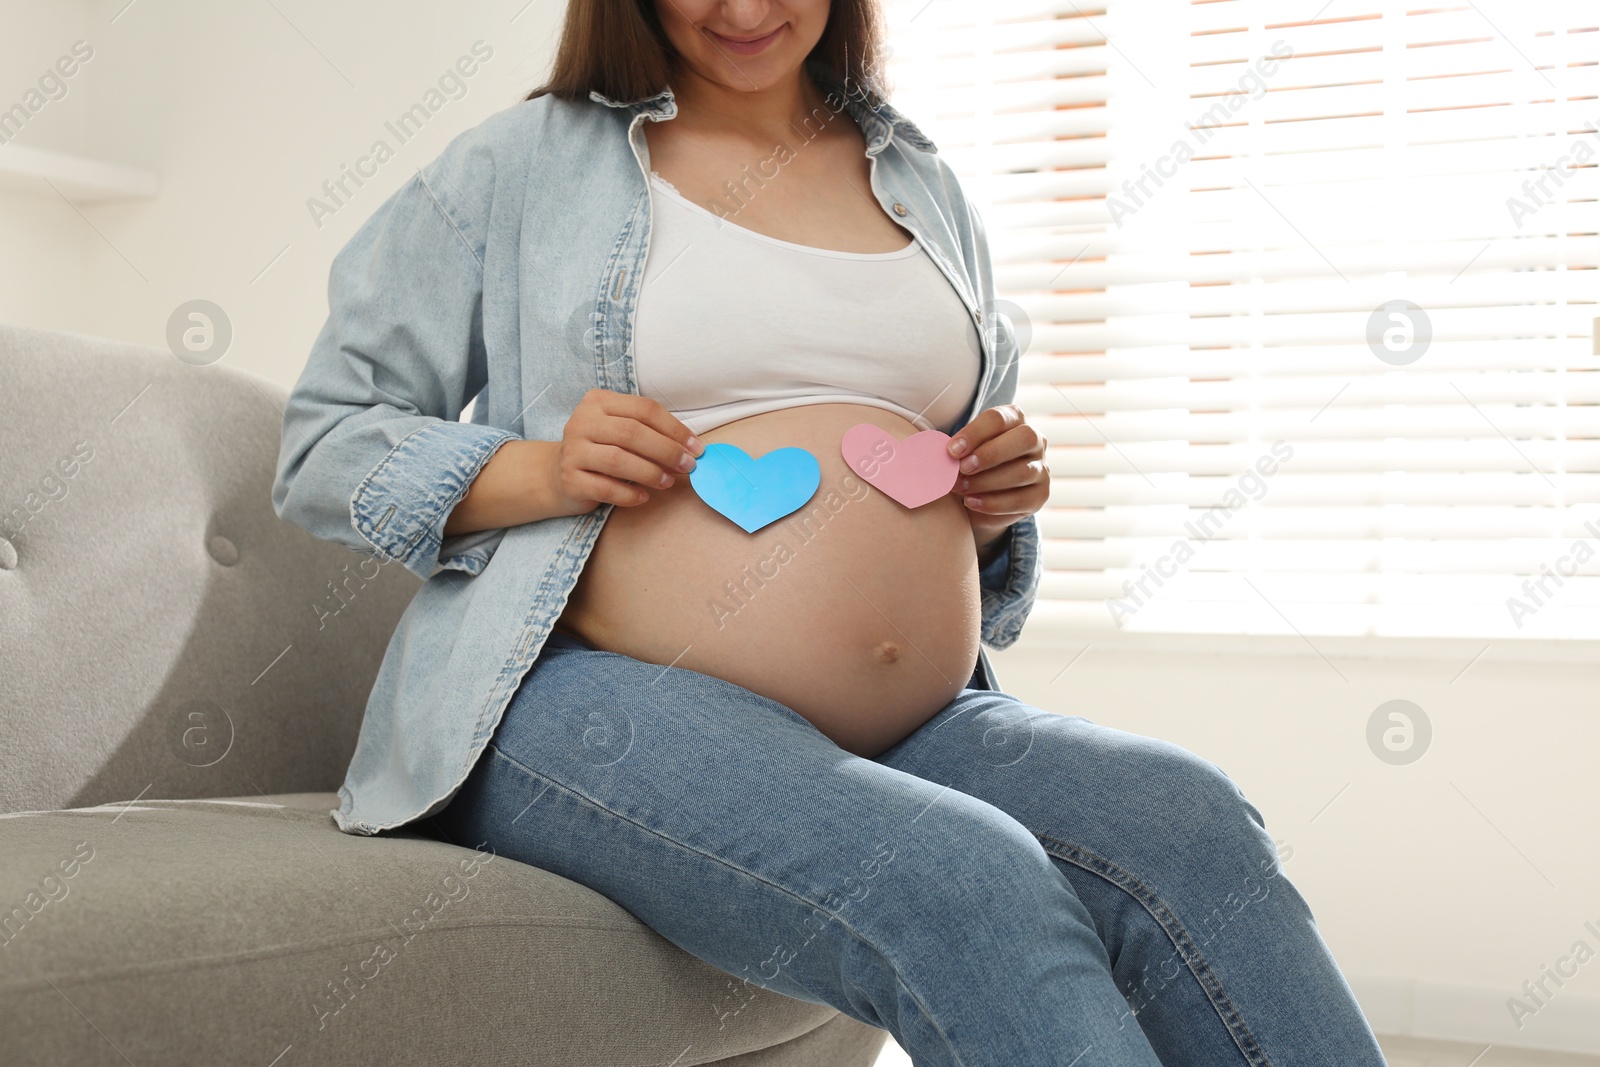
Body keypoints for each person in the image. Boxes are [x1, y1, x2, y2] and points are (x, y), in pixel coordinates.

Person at [273, 1, 1389, 1063]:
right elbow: (321, 441)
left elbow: (934, 482)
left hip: (910, 717)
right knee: (963, 874)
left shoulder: (922, 181)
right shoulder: (524, 163)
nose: (747, 9)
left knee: (1187, 815)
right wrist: (540, 465)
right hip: (584, 695)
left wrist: (993, 496)